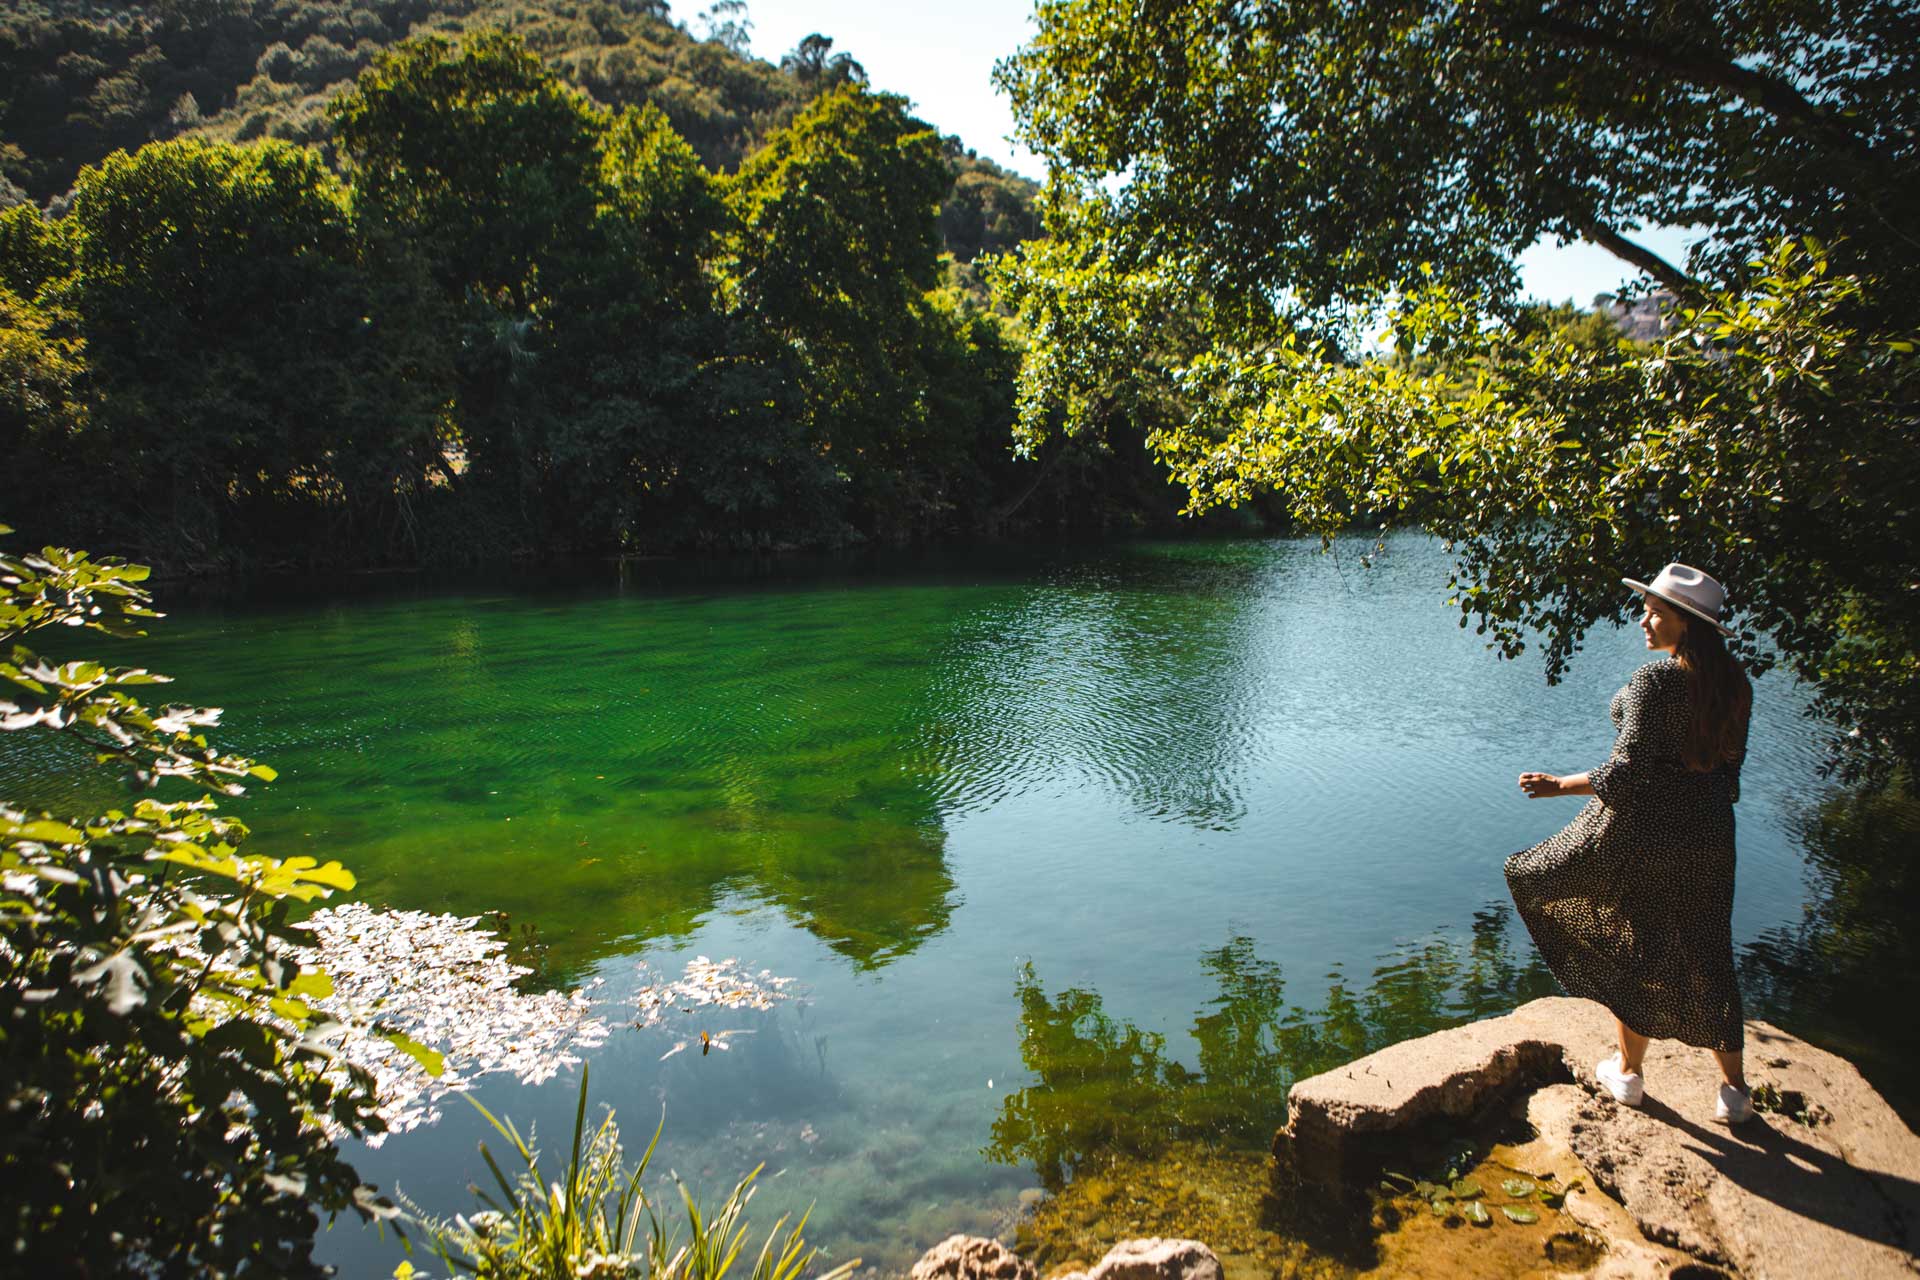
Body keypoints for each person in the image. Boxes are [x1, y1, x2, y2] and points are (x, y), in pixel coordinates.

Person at [1505, 563, 1754, 1123]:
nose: (1644, 620)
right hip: (1713, 836)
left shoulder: (1655, 682)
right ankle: (1735, 1092)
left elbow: (1625, 774)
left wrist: (1554, 787)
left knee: (1632, 946)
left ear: (1686, 625)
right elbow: (1729, 774)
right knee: (1709, 949)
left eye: (1655, 613)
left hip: (1647, 835)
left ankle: (1629, 1074)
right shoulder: (1736, 685)